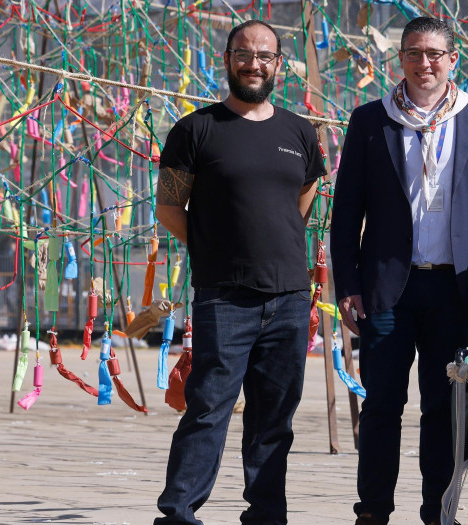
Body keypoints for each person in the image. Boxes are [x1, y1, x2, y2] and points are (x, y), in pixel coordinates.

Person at [329, 17, 468, 525]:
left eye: (434, 54)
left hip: (455, 286)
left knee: (444, 407)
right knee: (381, 406)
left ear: (452, 61)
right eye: (414, 53)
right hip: (386, 289)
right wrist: (349, 286)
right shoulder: (370, 120)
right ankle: (372, 511)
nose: (425, 63)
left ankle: (437, 512)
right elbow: (346, 212)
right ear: (401, 59)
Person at [154, 20, 325, 524]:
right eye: (244, 54)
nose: (254, 64)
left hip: (290, 299)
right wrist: (212, 248)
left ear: (278, 64)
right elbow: (168, 208)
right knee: (207, 409)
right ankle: (178, 513)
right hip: (224, 298)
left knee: (275, 419)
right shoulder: (195, 129)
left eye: (265, 56)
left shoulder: (299, 131)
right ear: (228, 58)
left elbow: (304, 198)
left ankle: (266, 515)